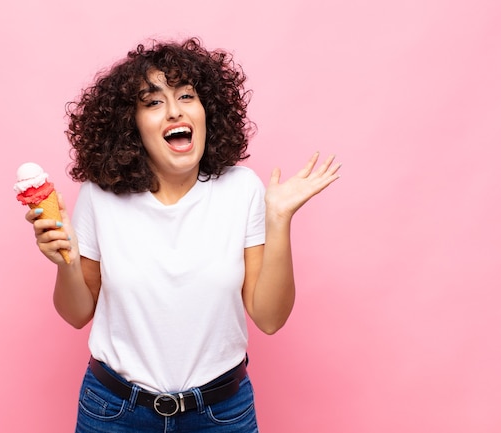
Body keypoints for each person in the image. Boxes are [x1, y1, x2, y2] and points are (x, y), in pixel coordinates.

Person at [25, 37, 341, 433]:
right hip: (114, 412)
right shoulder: (99, 195)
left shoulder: (242, 188)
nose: (174, 110)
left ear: (208, 110)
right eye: (153, 102)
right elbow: (76, 314)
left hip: (221, 414)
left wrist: (278, 220)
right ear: (131, 125)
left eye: (187, 96)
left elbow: (270, 318)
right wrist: (65, 263)